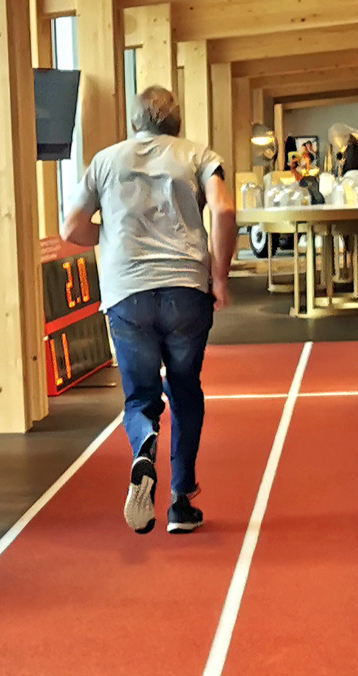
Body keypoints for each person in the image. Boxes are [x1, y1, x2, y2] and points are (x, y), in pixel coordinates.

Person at [44, 87, 237, 535]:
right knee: (185, 390)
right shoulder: (198, 155)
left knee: (140, 398)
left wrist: (111, 236)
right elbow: (224, 210)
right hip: (186, 289)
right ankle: (180, 502)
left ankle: (144, 446)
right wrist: (220, 277)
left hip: (127, 293)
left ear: (134, 123)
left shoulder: (104, 161)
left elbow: (71, 228)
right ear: (177, 122)